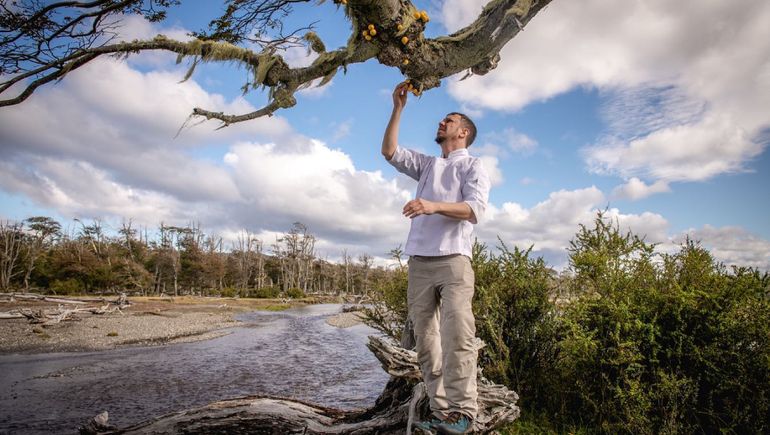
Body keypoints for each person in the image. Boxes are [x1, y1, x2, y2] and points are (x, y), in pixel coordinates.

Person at [381, 82, 491, 434]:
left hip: (454, 261)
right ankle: (443, 414)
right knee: (426, 341)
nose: (442, 123)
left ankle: (464, 413)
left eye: (449, 120)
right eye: (443, 120)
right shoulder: (428, 164)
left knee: (458, 334)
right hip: (419, 263)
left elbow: (474, 210)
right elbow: (390, 152)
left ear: (463, 132)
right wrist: (398, 108)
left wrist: (431, 205)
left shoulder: (472, 165)